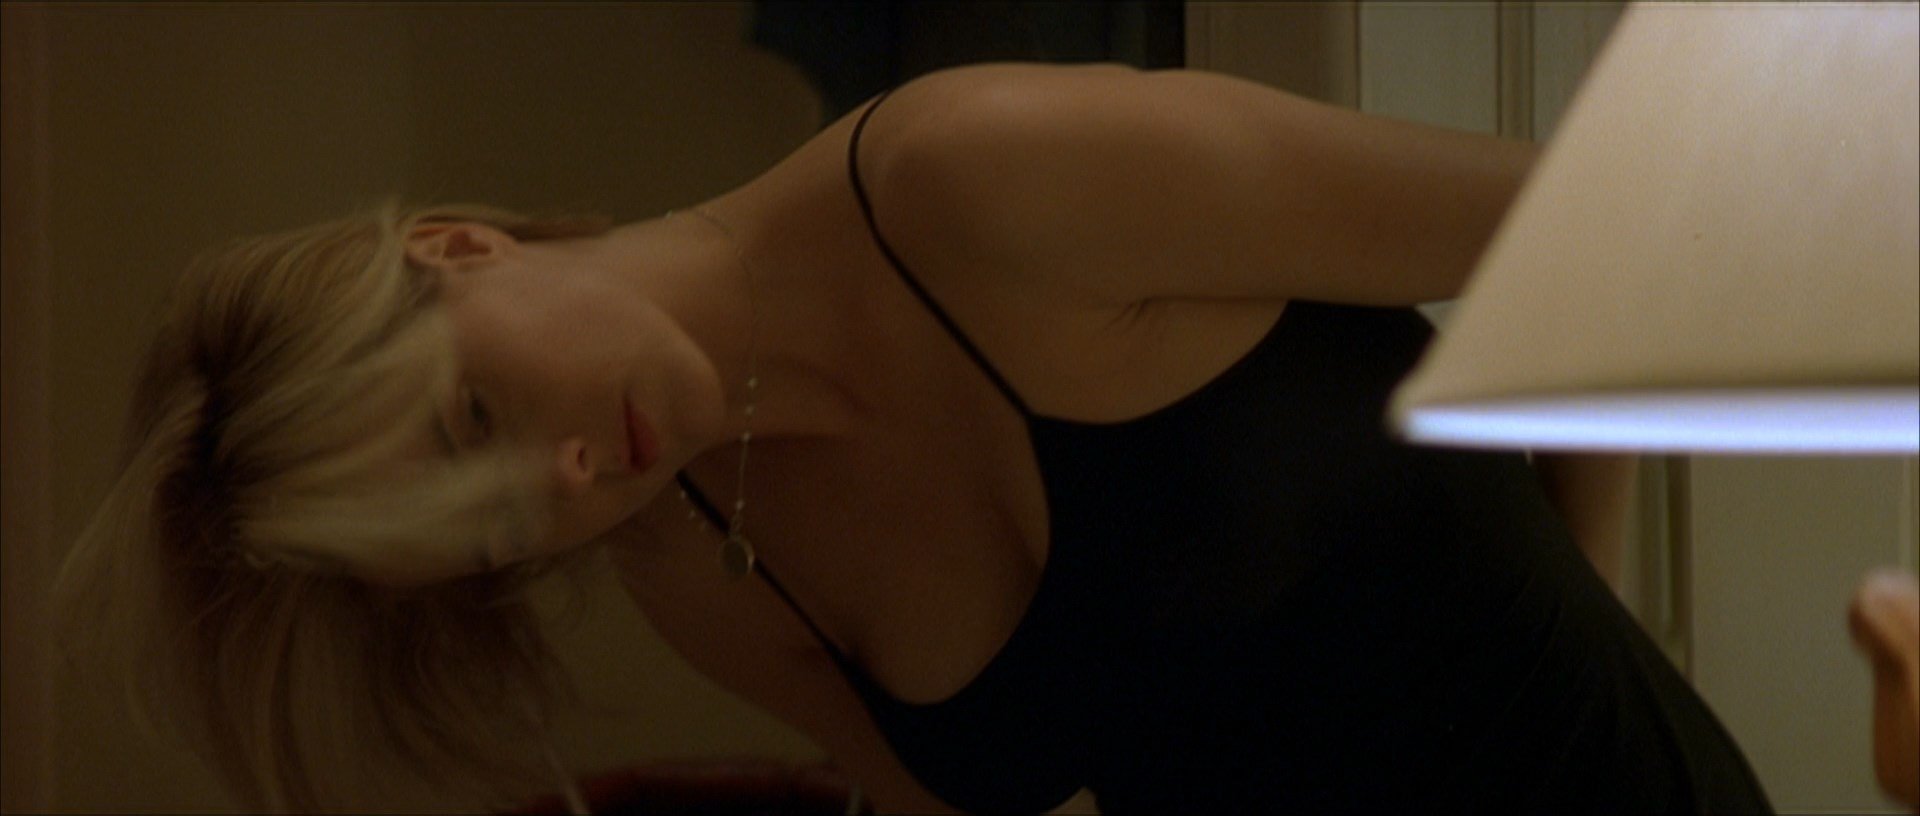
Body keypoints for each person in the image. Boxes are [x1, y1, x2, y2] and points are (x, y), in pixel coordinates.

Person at [53, 62, 1774, 814]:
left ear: (459, 249)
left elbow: (1604, 235)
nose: (564, 484)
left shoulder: (977, 181)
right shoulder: (694, 565)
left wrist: (1584, 607)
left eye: (475, 416)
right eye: (497, 527)